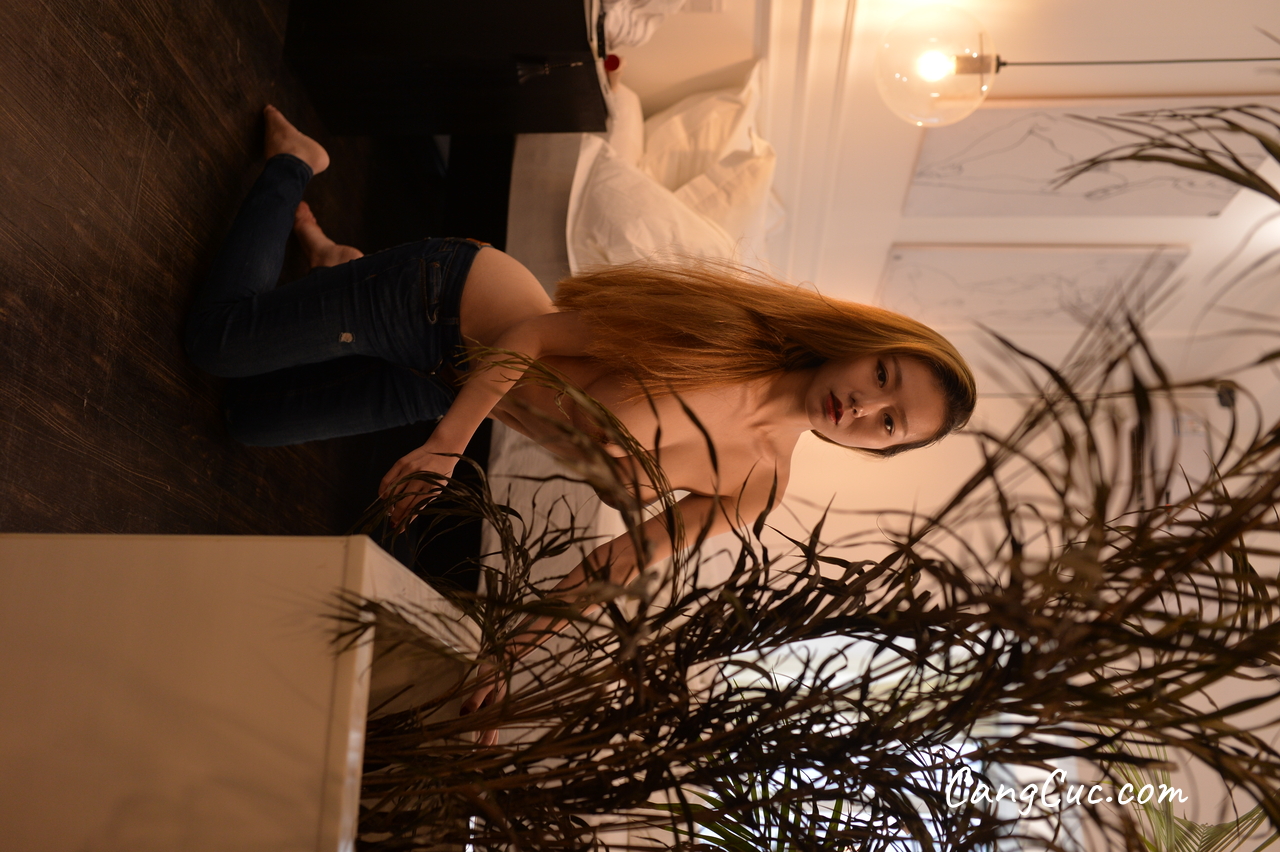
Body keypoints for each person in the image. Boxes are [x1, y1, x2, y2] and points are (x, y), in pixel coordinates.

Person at [186, 107, 977, 738]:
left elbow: (618, 562)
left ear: (877, 448)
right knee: (216, 345)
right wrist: (447, 448)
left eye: (887, 424)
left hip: (446, 384)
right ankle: (296, 163)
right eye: (883, 377)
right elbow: (533, 336)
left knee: (248, 419)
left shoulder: (759, 485)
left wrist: (503, 657)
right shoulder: (729, 338)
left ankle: (338, 268)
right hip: (448, 304)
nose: (863, 408)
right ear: (865, 344)